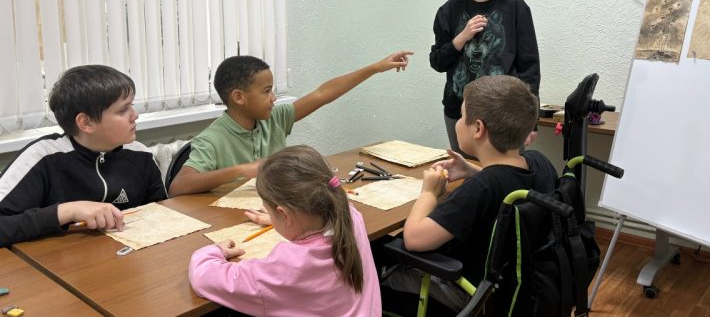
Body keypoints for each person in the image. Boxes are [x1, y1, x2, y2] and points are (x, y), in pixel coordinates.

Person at [382, 75, 557, 310]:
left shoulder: (481, 189)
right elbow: (509, 181)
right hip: (514, 286)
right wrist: (472, 170)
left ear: (477, 128)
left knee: (371, 265)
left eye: (462, 115)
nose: (457, 122)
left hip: (464, 292)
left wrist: (429, 193)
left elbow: (414, 240)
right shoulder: (540, 162)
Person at [168, 50, 413, 197]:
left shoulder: (273, 118)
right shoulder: (212, 140)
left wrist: (375, 68)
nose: (273, 97)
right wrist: (242, 170)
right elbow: (178, 187)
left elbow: (323, 94)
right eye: (266, 91)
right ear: (239, 97)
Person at [188, 145, 381, 316]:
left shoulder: (290, 266)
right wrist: (284, 219)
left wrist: (215, 250)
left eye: (272, 213)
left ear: (284, 214)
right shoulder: (350, 216)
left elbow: (203, 277)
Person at [0, 65, 167, 247]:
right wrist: (68, 211)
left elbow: (163, 214)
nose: (135, 115)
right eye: (122, 110)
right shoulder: (42, 157)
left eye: (132, 105)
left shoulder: (141, 155)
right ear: (86, 122)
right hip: (59, 259)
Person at [429, 0, 540, 157]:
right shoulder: (449, 10)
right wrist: (461, 37)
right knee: (465, 173)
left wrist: (531, 121)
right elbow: (438, 62)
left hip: (506, 114)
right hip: (459, 113)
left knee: (504, 175)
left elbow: (529, 68)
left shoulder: (515, 7)